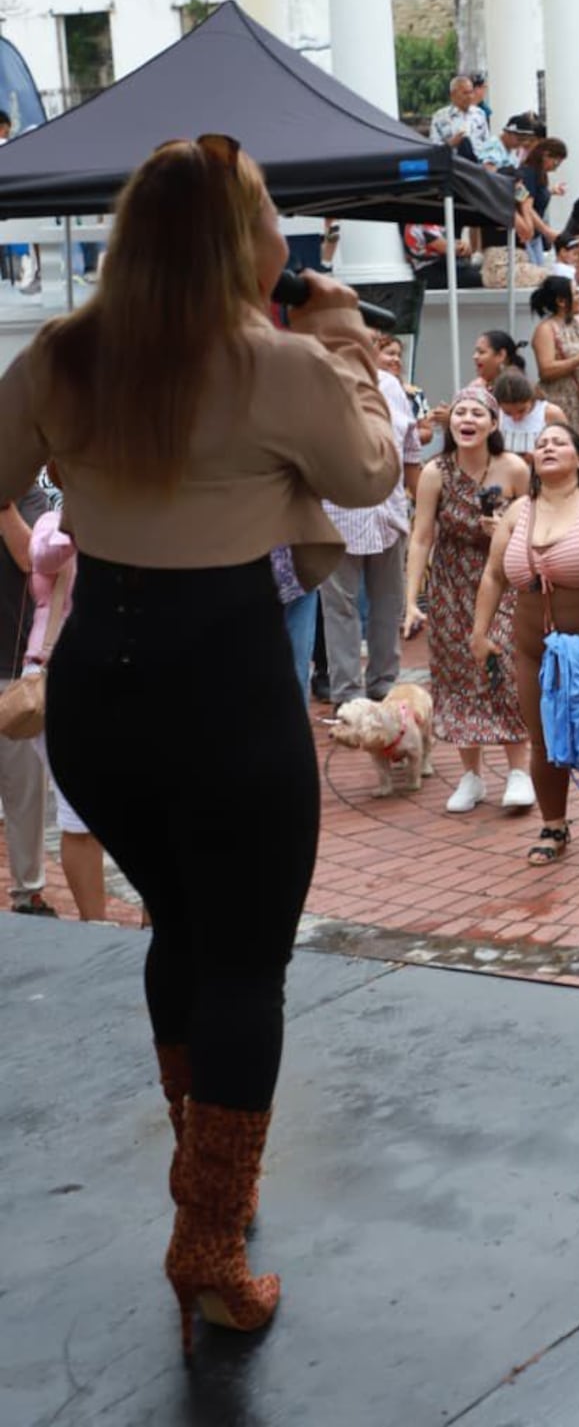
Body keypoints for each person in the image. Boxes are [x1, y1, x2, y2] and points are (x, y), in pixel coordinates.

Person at [0, 135, 401, 1353]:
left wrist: (40, 560)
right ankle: (212, 1240)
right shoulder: (277, 360)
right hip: (222, 675)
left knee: (184, 924)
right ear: (243, 241)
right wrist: (343, 341)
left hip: (103, 679)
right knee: (245, 960)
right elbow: (372, 465)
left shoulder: (67, 352)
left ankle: (207, 1184)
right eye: (269, 206)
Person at [474, 422, 579, 864]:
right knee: (545, 735)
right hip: (535, 645)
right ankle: (554, 826)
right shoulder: (518, 512)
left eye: (559, 442)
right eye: (541, 443)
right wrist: (479, 632)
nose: (548, 447)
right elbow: (494, 575)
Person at [404, 389, 533, 812]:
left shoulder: (514, 468)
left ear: (493, 424)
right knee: (456, 674)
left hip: (502, 583)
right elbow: (422, 536)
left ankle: (519, 772)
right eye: (460, 412)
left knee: (503, 669)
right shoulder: (435, 472)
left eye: (478, 413)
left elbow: (535, 526)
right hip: (450, 586)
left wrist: (505, 531)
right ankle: (471, 777)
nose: (468, 419)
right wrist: (411, 599)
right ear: (450, 422)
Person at [20, 503, 107, 919]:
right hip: (59, 681)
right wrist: (85, 518)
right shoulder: (54, 523)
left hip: (130, 679)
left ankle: (152, 928)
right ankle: (97, 927)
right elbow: (43, 557)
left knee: (149, 809)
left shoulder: (148, 524)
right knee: (78, 813)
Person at [320, 358, 422, 706]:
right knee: (340, 609)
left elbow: (410, 447)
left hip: (388, 512)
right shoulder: (318, 381)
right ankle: (347, 694)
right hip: (335, 514)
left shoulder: (391, 385)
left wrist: (420, 504)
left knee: (389, 603)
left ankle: (384, 684)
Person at [0, 488, 52, 915]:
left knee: (25, 793)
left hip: (13, 674)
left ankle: (28, 892)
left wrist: (3, 505)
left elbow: (29, 559)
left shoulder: (30, 499)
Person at [529, 276, 579, 475]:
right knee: (567, 449)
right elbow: (546, 370)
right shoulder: (546, 330)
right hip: (562, 400)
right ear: (561, 301)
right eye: (575, 293)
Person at [492, 368, 568, 460]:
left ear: (531, 399)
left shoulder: (550, 413)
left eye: (521, 411)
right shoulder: (496, 415)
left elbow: (567, 449)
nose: (516, 418)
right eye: (508, 413)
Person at [429, 75, 489, 161]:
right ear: (453, 95)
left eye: (471, 92)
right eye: (465, 93)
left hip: (478, 164)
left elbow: (487, 142)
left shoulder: (479, 114)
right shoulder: (440, 117)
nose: (470, 97)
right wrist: (451, 144)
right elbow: (433, 148)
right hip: (454, 164)